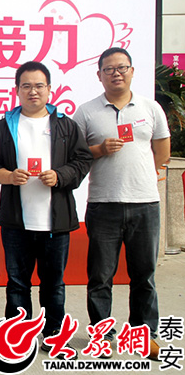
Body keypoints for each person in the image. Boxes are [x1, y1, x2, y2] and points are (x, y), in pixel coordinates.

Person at [0, 61, 92, 358]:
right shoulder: (3, 126)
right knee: (17, 284)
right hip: (16, 221)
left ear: (49, 89)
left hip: (55, 221)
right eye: (26, 86)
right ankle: (17, 337)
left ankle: (54, 335)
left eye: (38, 86)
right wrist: (9, 176)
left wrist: (60, 176)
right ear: (17, 90)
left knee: (53, 284)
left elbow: (83, 160)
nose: (33, 91)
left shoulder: (65, 125)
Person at [73, 47, 170, 361]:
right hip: (104, 204)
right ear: (99, 74)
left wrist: (144, 175)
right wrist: (100, 149)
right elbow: (76, 154)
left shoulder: (150, 107)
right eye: (109, 69)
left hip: (145, 203)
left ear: (131, 71)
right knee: (100, 276)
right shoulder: (86, 112)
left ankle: (144, 334)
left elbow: (162, 150)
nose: (116, 73)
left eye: (122, 67)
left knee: (144, 274)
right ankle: (102, 334)